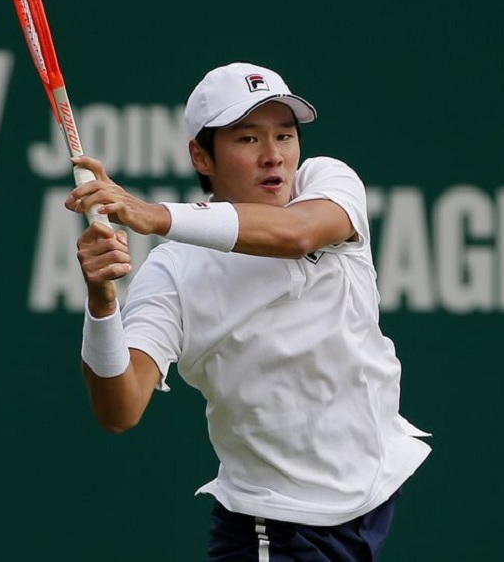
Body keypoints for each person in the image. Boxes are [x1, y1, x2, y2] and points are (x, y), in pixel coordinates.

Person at [65, 61, 431, 561]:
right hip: (276, 530)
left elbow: (297, 234)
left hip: (371, 499)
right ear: (201, 155)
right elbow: (120, 408)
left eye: (284, 136)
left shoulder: (326, 183)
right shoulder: (174, 272)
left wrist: (155, 215)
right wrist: (103, 303)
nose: (273, 157)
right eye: (247, 140)